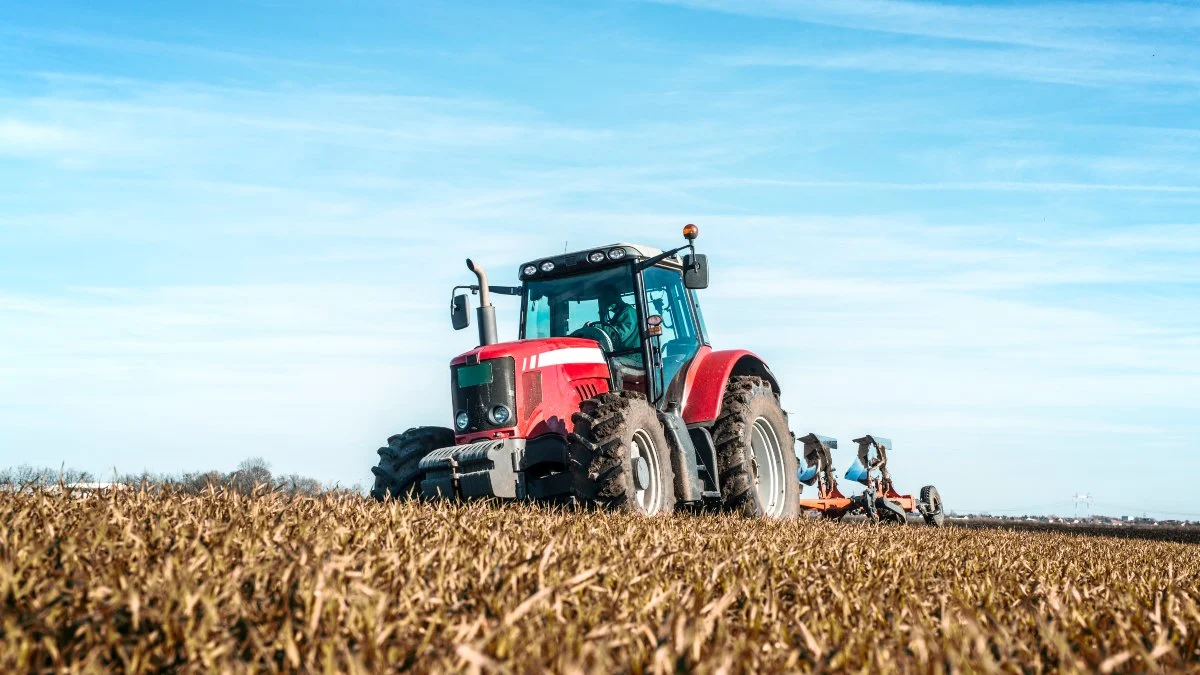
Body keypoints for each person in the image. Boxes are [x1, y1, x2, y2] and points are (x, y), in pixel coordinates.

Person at [594, 283, 639, 352]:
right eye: (603, 299)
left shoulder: (628, 312)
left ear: (617, 296)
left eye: (608, 297)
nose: (606, 301)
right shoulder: (619, 314)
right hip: (623, 354)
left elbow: (618, 335)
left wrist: (597, 327)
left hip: (632, 355)